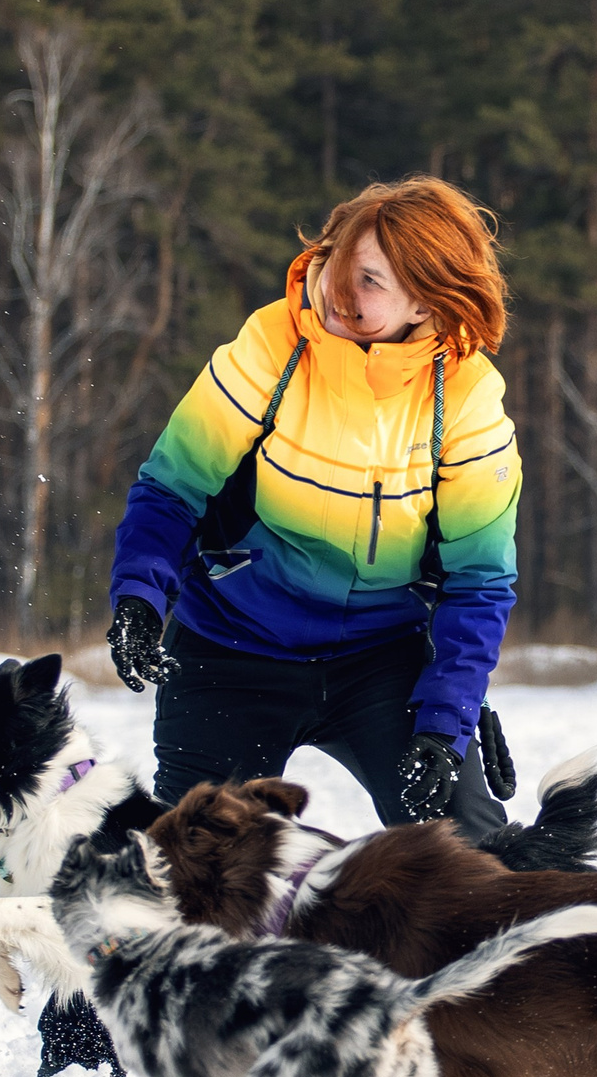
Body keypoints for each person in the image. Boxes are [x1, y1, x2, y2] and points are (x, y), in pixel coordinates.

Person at [105, 176, 522, 837]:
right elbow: (173, 486)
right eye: (339, 263)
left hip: (382, 659)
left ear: (426, 302)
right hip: (232, 644)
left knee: (470, 850)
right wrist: (138, 595)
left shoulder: (467, 397)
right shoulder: (271, 343)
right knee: (190, 863)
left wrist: (450, 716)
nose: (339, 291)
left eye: (371, 281)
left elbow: (480, 580)